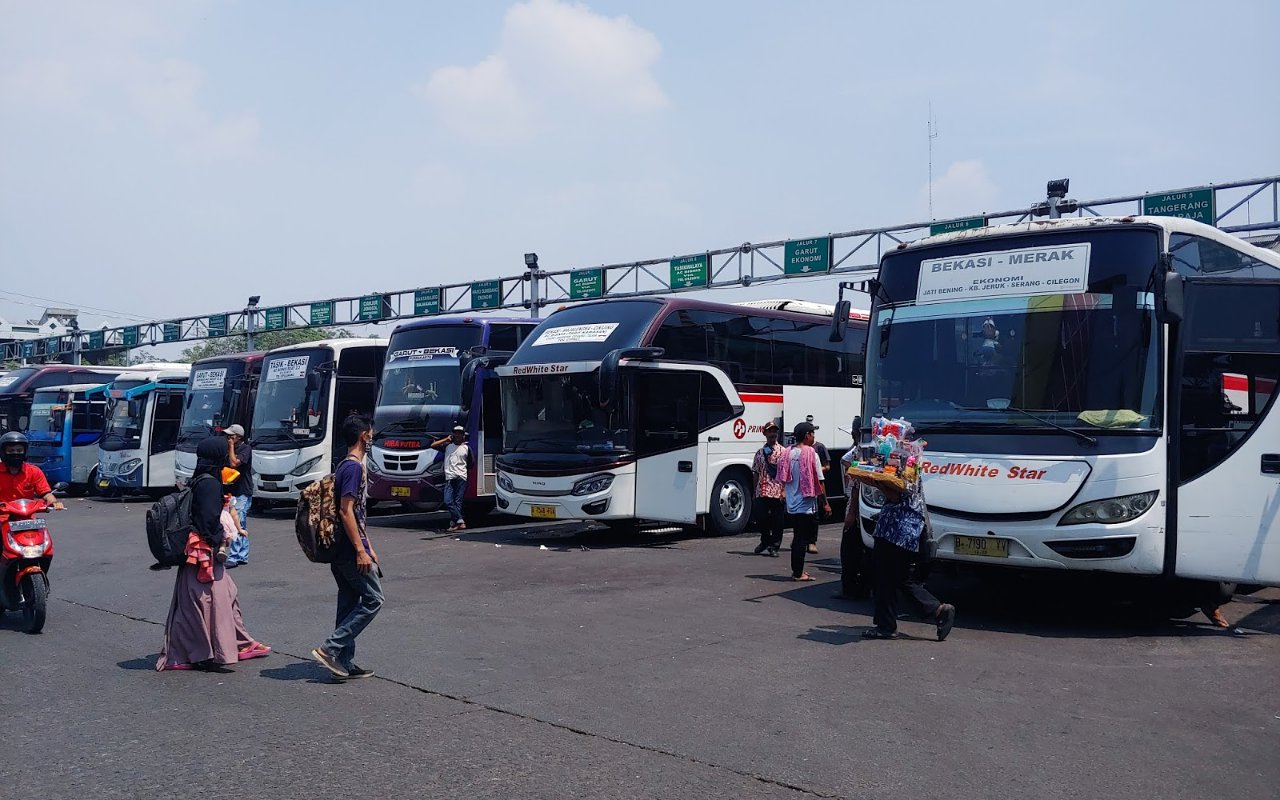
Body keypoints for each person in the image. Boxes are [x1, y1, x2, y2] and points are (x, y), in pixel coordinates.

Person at [156, 436, 270, 671]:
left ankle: (238, 643)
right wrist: (223, 538)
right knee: (207, 603)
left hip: (196, 553)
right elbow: (208, 521)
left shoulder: (200, 479)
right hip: (203, 554)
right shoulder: (210, 484)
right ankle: (191, 653)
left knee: (219, 597)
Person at [312, 414, 382, 680]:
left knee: (349, 600)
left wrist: (369, 546)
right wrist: (361, 550)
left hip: (342, 549)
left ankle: (343, 662)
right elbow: (346, 511)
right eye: (370, 431)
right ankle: (330, 649)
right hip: (349, 550)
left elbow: (357, 515)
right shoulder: (353, 467)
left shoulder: (345, 464)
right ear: (364, 435)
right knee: (374, 599)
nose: (373, 435)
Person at [862, 478, 956, 641]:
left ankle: (886, 626)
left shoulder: (900, 466)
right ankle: (937, 610)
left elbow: (895, 496)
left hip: (893, 530)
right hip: (909, 531)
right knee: (902, 578)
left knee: (883, 578)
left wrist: (878, 484)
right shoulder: (913, 464)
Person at [778, 422, 830, 582]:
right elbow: (820, 481)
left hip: (792, 504)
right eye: (812, 433)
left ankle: (797, 570)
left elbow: (783, 478)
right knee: (801, 539)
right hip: (806, 505)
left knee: (797, 537)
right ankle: (798, 573)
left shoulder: (787, 453)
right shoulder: (811, 453)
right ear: (807, 435)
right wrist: (825, 503)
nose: (814, 436)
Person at [0, 431, 64, 508]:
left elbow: (45, 493)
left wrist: (54, 502)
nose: (15, 453)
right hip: (2, 517)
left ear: (25, 452)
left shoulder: (34, 471)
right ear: (3, 452)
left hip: (27, 517)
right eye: (11, 451)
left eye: (19, 451)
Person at [750, 422, 784, 557]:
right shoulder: (759, 453)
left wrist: (784, 490)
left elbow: (786, 473)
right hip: (762, 490)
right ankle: (765, 541)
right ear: (765, 433)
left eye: (775, 431)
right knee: (761, 518)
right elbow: (756, 472)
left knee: (778, 520)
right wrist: (754, 492)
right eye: (770, 431)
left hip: (777, 490)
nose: (773, 434)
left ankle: (774, 546)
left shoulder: (783, 452)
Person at [431, 425, 471, 532]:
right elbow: (433, 445)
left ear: (463, 435)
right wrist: (446, 439)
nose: (457, 435)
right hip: (449, 477)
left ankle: (454, 524)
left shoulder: (466, 448)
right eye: (455, 433)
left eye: (459, 433)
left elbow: (471, 463)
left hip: (461, 477)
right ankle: (460, 521)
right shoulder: (447, 446)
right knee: (448, 501)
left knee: (457, 502)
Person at [223, 424, 253, 567]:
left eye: (231, 436)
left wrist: (230, 447)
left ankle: (234, 556)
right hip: (230, 490)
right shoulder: (229, 449)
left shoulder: (245, 449)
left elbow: (234, 463)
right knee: (240, 523)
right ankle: (243, 555)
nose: (228, 438)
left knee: (237, 523)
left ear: (238, 437)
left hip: (242, 491)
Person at [804, 415, 831, 554]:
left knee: (814, 516)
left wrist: (814, 470)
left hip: (815, 486)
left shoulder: (819, 448)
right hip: (802, 489)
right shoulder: (797, 450)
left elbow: (827, 467)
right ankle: (801, 539)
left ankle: (812, 541)